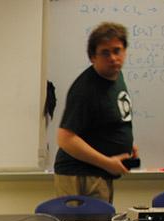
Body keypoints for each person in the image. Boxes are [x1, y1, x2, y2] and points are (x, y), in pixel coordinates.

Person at [54, 21, 137, 203]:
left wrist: (126, 146)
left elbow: (109, 120)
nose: (113, 58)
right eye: (105, 53)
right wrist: (108, 163)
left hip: (100, 173)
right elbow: (65, 138)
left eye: (117, 51)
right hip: (80, 176)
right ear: (93, 57)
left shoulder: (116, 76)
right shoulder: (86, 89)